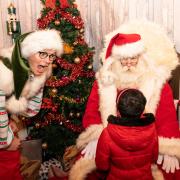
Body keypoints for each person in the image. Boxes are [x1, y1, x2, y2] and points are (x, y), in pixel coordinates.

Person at [69, 20, 180, 180]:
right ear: (115, 59)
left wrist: (169, 147)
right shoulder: (104, 81)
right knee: (85, 168)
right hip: (110, 141)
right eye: (123, 59)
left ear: (141, 57)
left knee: (171, 170)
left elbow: (167, 118)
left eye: (133, 58)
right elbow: (92, 113)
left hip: (147, 143)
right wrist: (95, 137)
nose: (128, 63)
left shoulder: (156, 82)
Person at [0, 29, 63, 179]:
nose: (48, 60)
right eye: (42, 53)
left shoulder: (31, 69)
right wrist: (7, 142)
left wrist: (38, 81)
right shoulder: (3, 71)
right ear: (29, 52)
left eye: (51, 56)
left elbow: (30, 110)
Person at [95, 88, 158, 180]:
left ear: (118, 111)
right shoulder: (152, 130)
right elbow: (154, 158)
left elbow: (102, 165)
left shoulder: (107, 133)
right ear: (142, 110)